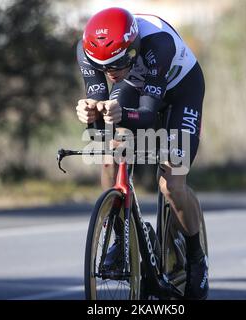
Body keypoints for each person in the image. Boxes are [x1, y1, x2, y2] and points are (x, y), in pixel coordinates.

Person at [75, 7, 208, 300]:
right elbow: (100, 127)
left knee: (171, 183)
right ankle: (122, 238)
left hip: (181, 88)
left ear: (133, 48)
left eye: (118, 63)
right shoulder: (88, 52)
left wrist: (122, 115)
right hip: (136, 86)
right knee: (110, 153)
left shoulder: (157, 45)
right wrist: (89, 112)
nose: (111, 72)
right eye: (104, 67)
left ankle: (197, 257)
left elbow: (147, 115)